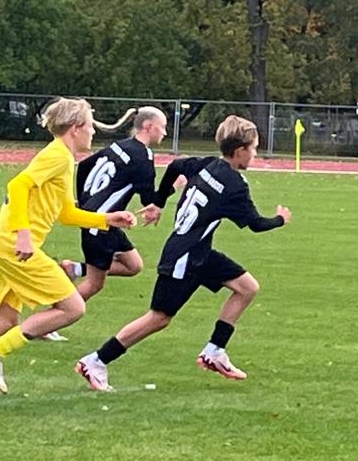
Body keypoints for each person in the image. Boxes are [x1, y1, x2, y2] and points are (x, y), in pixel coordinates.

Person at [0, 98, 136, 409]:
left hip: (0, 241)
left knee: (3, 320)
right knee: (73, 308)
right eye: (90, 126)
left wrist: (106, 219)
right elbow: (18, 185)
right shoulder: (58, 156)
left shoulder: (63, 158)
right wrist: (23, 235)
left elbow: (66, 213)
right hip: (13, 244)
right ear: (75, 128)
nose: (93, 132)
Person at [74, 115, 290, 392]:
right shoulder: (235, 185)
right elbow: (256, 224)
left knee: (247, 287)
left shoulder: (206, 164)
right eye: (254, 148)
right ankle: (96, 360)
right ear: (240, 151)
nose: (255, 154)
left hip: (199, 252)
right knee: (158, 318)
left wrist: (159, 201)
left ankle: (214, 351)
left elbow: (176, 166)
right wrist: (280, 219)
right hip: (183, 258)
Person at [60, 106, 168, 302]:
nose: (165, 133)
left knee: (133, 265)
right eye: (163, 127)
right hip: (100, 223)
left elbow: (84, 166)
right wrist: (175, 184)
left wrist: (84, 200)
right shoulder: (143, 157)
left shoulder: (120, 145)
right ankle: (57, 313)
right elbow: (149, 199)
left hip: (106, 221)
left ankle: (75, 269)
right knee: (94, 283)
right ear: (148, 126)